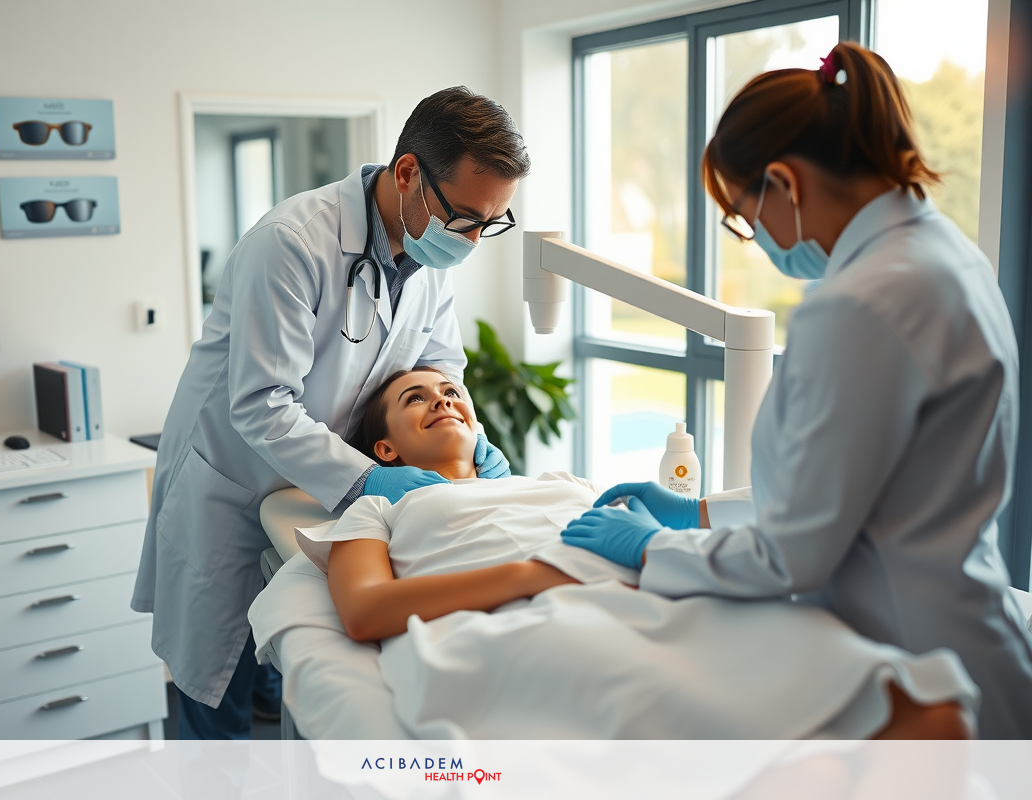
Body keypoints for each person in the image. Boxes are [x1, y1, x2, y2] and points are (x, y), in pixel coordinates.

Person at [561, 42, 1032, 738]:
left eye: (744, 217)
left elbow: (795, 553)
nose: (755, 236)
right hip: (966, 629)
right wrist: (703, 514)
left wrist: (655, 546)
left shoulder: (862, 302)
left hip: (917, 667)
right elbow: (874, 488)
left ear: (783, 183)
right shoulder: (949, 257)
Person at [131, 87, 530, 739]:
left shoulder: (431, 257)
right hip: (232, 481)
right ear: (408, 174)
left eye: (493, 222)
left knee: (280, 671)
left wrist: (474, 436)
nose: (476, 239)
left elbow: (441, 367)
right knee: (218, 692)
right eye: (466, 219)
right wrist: (368, 479)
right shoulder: (292, 242)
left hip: (313, 487)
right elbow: (261, 404)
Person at [292, 366, 973, 739]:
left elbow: (655, 535)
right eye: (417, 399)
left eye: (452, 393)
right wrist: (537, 573)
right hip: (527, 618)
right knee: (661, 691)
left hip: (641, 589)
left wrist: (661, 540)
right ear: (384, 449)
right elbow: (365, 612)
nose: (444, 401)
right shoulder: (380, 507)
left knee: (893, 690)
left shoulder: (561, 482)